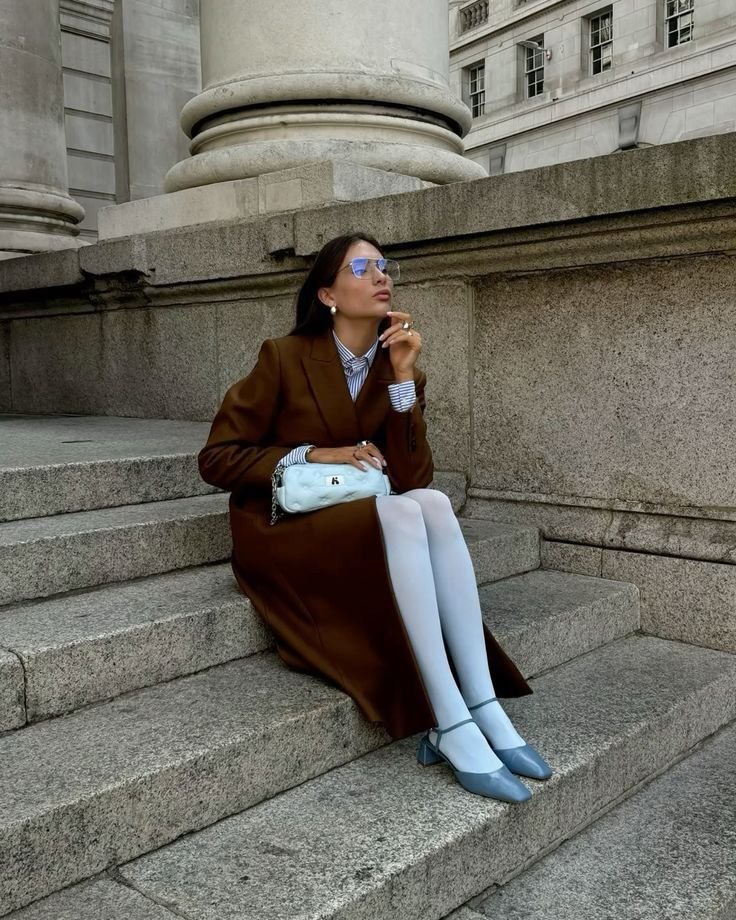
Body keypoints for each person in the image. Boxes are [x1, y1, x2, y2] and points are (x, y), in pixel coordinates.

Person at [198, 232, 552, 803]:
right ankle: (448, 718)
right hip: (285, 526)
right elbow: (216, 460)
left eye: (384, 266)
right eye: (362, 267)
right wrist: (314, 452)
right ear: (328, 293)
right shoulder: (284, 357)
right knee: (405, 517)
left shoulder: (397, 368)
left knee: (430, 506)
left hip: (365, 518)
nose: (381, 275)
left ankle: (481, 705)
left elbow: (413, 479)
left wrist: (405, 380)